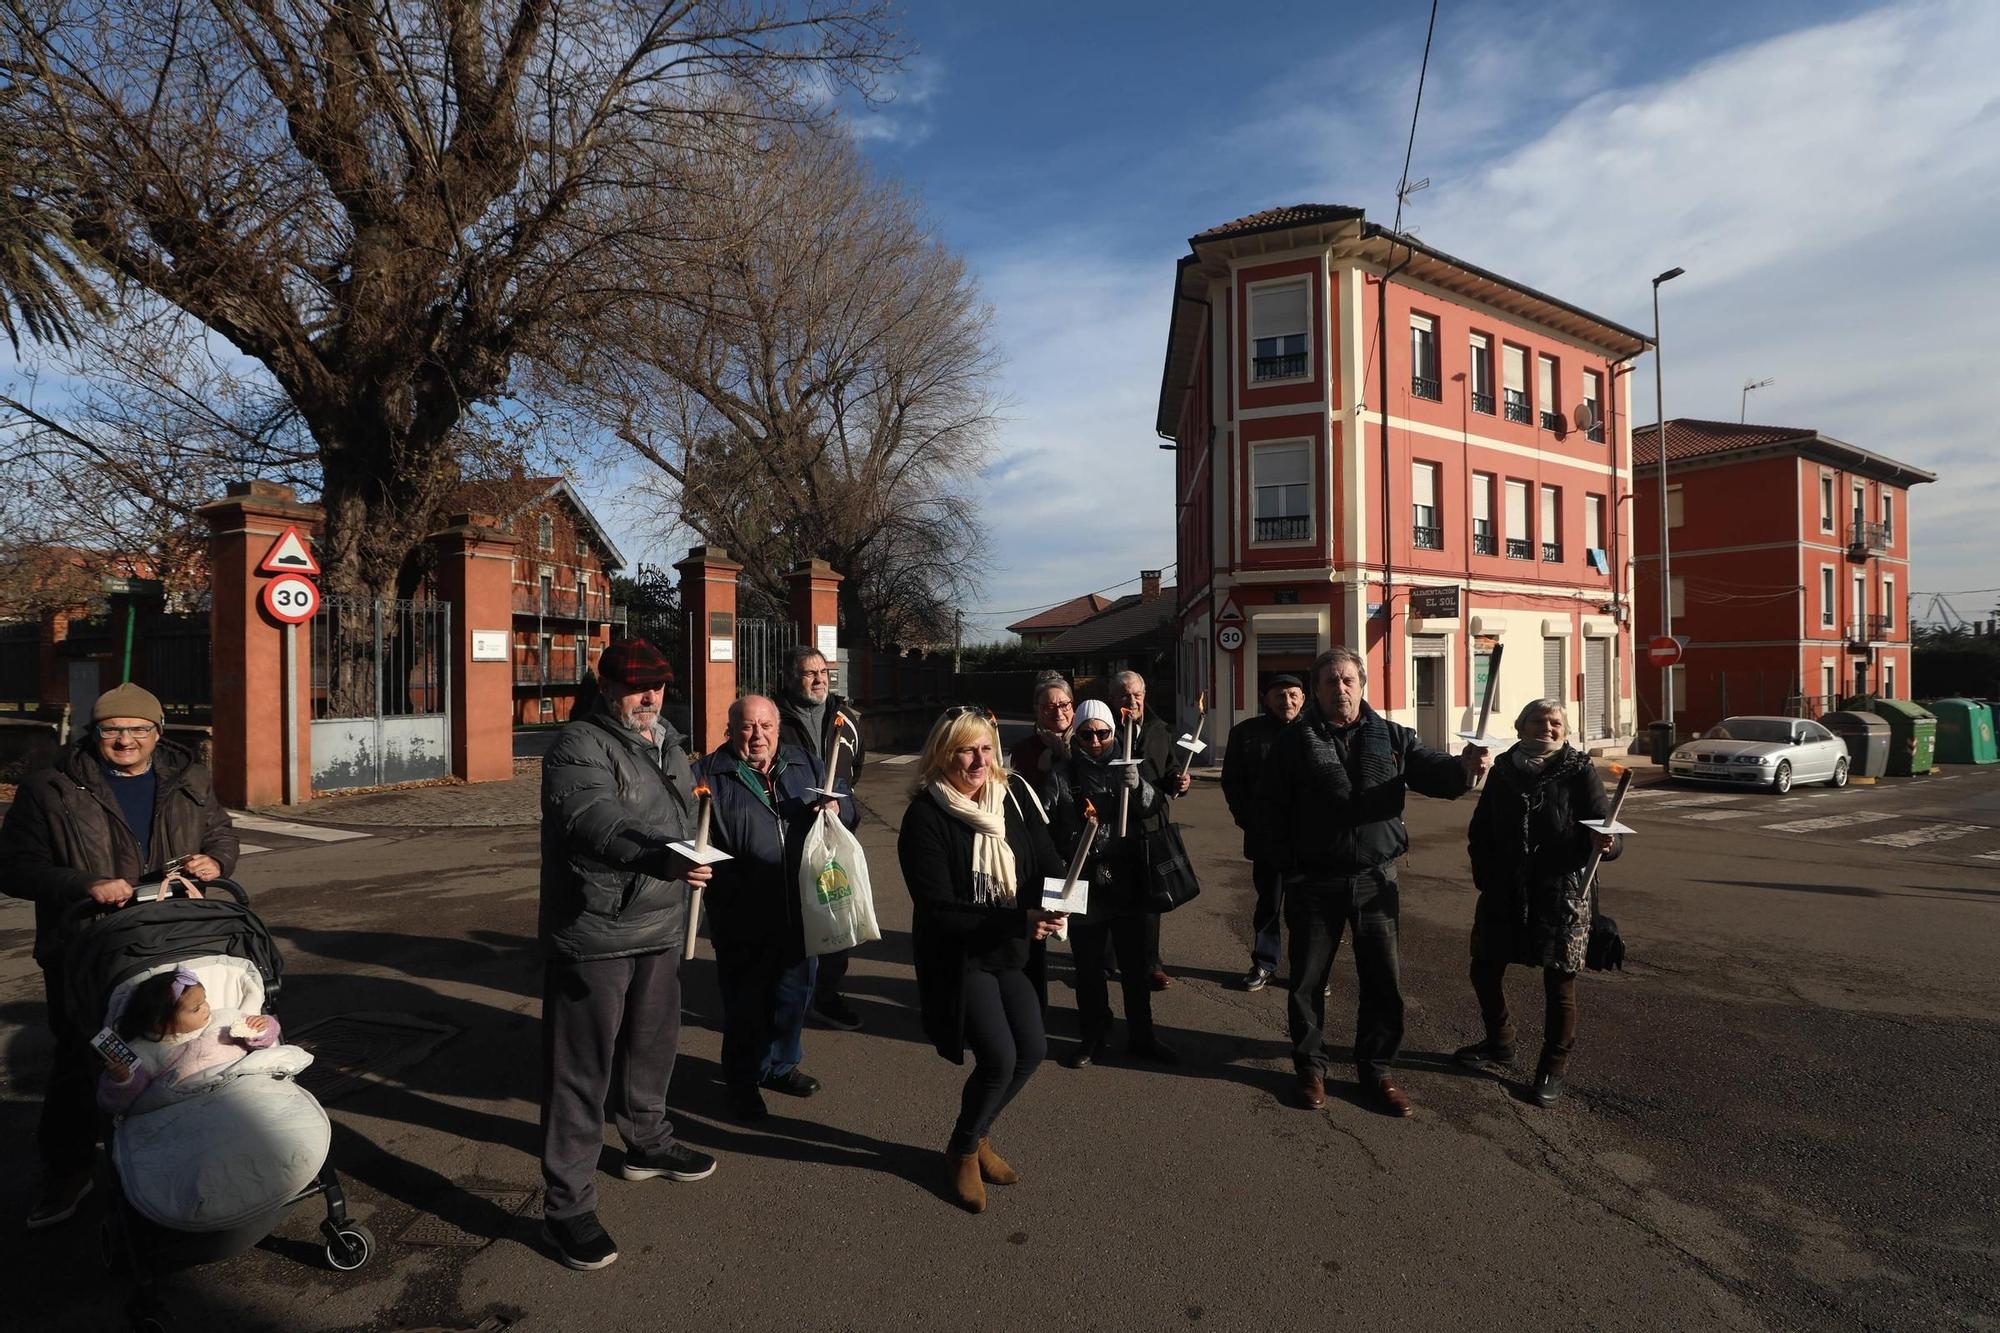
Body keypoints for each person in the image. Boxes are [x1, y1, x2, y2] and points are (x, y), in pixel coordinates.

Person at [0, 681, 238, 1230]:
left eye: (138, 729)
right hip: (87, 951)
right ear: (95, 733)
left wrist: (215, 864)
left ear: (158, 733)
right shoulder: (51, 788)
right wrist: (84, 883)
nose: (126, 739)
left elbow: (221, 833)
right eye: (113, 730)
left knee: (179, 1049)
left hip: (172, 943)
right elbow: (13, 866)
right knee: (87, 1057)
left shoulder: (190, 779)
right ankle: (68, 1169)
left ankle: (177, 1155)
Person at [537, 639, 718, 1271]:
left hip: (663, 924)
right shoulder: (577, 746)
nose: (649, 698)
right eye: (637, 688)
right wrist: (661, 857)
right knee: (580, 1074)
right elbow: (595, 820)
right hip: (596, 934)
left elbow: (688, 809)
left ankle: (646, 1142)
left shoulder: (668, 740)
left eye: (658, 687)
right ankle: (566, 1206)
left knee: (653, 1048)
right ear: (607, 686)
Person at [1256, 647, 1490, 1117]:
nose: (1339, 689)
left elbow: (1434, 772)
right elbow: (1268, 813)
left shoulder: (1393, 736)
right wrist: (1292, 867)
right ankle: (1310, 1069)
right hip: (1314, 881)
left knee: (1383, 979)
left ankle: (1377, 1069)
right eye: (1329, 682)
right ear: (1316, 690)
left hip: (1374, 879)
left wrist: (1465, 768)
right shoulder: (1291, 743)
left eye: (1347, 680)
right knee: (1306, 980)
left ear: (1362, 686)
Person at [895, 707, 1065, 1214]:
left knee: (1033, 1049)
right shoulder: (925, 816)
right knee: (999, 1058)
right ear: (943, 755)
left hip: (1011, 951)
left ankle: (977, 1133)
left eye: (986, 749)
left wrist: (1062, 899)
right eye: (966, 750)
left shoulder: (1010, 796)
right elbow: (937, 907)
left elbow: (1046, 857)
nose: (978, 761)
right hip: (961, 955)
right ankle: (964, 1149)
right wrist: (1018, 920)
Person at [693, 694, 858, 1122]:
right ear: (731, 730)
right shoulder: (709, 774)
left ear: (778, 728)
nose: (758, 735)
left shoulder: (804, 764)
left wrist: (840, 807)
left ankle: (781, 1067)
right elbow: (694, 841)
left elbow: (849, 806)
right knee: (746, 1005)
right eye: (747, 727)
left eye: (766, 726)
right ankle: (742, 1083)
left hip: (802, 909)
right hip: (742, 915)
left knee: (794, 997)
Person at [1456, 700, 1621, 1108]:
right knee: (1484, 968)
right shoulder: (1504, 770)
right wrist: (1485, 873)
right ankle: (1500, 1041)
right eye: (1538, 720)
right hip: (1504, 889)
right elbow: (1481, 829)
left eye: (1555, 722)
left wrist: (1608, 843)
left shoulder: (1580, 770)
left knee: (1559, 984)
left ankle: (1552, 1067)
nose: (1547, 727)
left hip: (1561, 891)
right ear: (1521, 725)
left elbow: (1606, 828)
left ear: (1564, 730)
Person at [1046, 700, 1176, 1068]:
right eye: (1086, 734)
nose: (1096, 741)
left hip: (1130, 875)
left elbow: (1155, 808)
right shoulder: (1063, 773)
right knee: (1088, 967)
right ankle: (1093, 1035)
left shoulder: (1130, 765)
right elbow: (1044, 819)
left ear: (1114, 732)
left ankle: (1142, 1035)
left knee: (1135, 967)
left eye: (1103, 733)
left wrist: (1139, 789)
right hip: (1083, 879)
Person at [775, 644, 869, 1033]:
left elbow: (853, 775)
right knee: (795, 922)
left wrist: (843, 811)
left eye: (823, 673)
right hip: (789, 835)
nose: (818, 680)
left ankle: (827, 997)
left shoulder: (845, 719)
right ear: (788, 677)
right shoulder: (772, 718)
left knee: (837, 915)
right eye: (808, 673)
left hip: (834, 836)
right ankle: (790, 1001)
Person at [1220, 674, 1305, 992]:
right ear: (1266, 699)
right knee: (1268, 904)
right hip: (1266, 837)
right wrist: (1248, 820)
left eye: (1294, 695)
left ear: (1303, 699)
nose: (1288, 701)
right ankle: (1265, 963)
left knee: (1304, 909)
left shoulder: (1315, 732)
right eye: (1280, 695)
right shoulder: (1245, 733)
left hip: (1306, 841)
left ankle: (1305, 971)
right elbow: (1232, 782)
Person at [96, 967, 281, 1114]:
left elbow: (264, 1041)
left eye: (205, 1000)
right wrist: (123, 1080)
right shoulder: (144, 1051)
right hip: (187, 1108)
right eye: (195, 1008)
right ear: (160, 1023)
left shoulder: (225, 1018)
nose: (206, 1008)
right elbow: (124, 1102)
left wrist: (261, 1027)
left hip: (243, 1091)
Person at [1110, 670, 1190, 991]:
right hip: (1114, 826)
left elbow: (1169, 769)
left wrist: (1179, 782)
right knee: (1114, 895)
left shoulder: (1159, 729)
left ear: (1145, 696)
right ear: (1113, 699)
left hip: (1152, 825)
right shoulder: (1104, 731)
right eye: (1124, 696)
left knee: (1150, 899)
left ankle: (1151, 962)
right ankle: (1109, 957)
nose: (1132, 701)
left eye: (1137, 695)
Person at [1008, 673, 1074, 805]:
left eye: (1064, 704)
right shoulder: (1022, 751)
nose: (1058, 713)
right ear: (1036, 709)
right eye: (1049, 707)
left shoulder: (1090, 740)